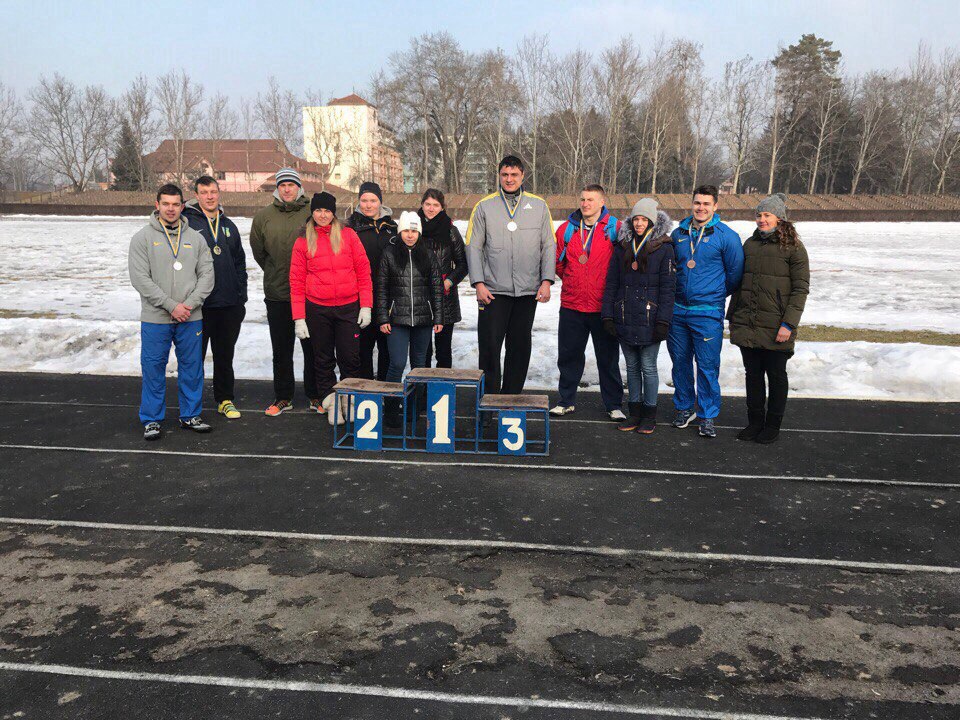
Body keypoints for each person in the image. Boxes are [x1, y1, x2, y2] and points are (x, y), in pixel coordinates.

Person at [128, 183, 214, 441]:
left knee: (192, 366)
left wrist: (188, 304)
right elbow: (140, 279)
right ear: (157, 205)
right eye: (165, 203)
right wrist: (170, 306)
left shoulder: (196, 238)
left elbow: (207, 275)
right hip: (156, 318)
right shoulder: (142, 238)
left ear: (182, 206)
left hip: (191, 315)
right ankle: (152, 419)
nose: (171, 209)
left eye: (176, 204)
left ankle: (190, 414)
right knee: (153, 367)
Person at [465, 155, 555, 395]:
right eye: (505, 174)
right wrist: (478, 283)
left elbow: (548, 245)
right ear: (499, 176)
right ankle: (489, 402)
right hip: (493, 292)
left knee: (520, 348)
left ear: (523, 176)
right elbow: (473, 246)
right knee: (490, 348)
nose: (509, 179)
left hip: (527, 291)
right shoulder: (484, 206)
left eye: (514, 175)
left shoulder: (539, 206)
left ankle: (511, 400)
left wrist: (546, 281)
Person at [728, 193, 810, 444]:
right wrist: (734, 316)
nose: (761, 220)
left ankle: (772, 425)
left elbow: (800, 289)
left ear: (780, 218)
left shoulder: (794, 248)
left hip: (776, 325)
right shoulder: (750, 245)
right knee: (752, 375)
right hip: (748, 323)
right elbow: (740, 282)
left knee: (775, 376)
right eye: (759, 215)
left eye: (767, 215)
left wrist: (788, 323)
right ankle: (755, 422)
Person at [289, 192, 373, 426]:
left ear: (334, 212)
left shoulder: (348, 235)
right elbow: (296, 281)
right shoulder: (303, 240)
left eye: (327, 211)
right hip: (317, 309)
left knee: (349, 357)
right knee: (323, 358)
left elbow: (363, 272)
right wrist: (299, 317)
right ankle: (330, 401)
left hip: (348, 307)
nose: (322, 215)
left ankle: (349, 398)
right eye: (318, 211)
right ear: (312, 212)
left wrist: (366, 305)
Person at [668, 185, 744, 438]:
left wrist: (713, 295)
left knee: (707, 366)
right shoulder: (678, 233)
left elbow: (734, 276)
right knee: (679, 363)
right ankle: (684, 407)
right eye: (697, 203)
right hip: (678, 311)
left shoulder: (727, 236)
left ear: (715, 206)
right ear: (692, 204)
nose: (701, 208)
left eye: (706, 204)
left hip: (708, 311)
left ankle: (707, 414)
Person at [601, 199, 676, 434]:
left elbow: (668, 288)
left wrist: (663, 321)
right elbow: (612, 283)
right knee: (631, 368)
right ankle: (634, 413)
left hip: (650, 319)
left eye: (644, 219)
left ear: (652, 222)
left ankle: (649, 415)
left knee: (648, 367)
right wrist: (608, 316)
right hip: (625, 316)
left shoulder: (664, 248)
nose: (640, 223)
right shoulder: (622, 246)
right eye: (636, 219)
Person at [550, 184, 624, 420]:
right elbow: (558, 264)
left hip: (604, 307)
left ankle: (613, 404)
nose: (585, 204)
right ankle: (565, 400)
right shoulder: (565, 230)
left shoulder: (616, 229)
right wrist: (574, 281)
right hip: (572, 304)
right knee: (569, 356)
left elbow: (622, 264)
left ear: (602, 202)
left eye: (591, 200)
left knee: (608, 358)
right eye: (582, 199)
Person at [249, 168, 319, 416]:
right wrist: (276, 271)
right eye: (282, 185)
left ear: (299, 187)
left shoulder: (313, 212)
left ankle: (315, 395)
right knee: (281, 349)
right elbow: (260, 253)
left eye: (291, 184)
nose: (287, 189)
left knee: (312, 348)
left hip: (311, 294)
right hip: (278, 293)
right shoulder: (263, 217)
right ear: (277, 188)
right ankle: (283, 396)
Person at [182, 175, 247, 420]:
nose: (210, 196)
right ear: (196, 195)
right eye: (204, 192)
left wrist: (241, 295)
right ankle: (191, 404)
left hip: (229, 304)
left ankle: (225, 399)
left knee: (224, 356)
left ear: (219, 193)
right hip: (199, 305)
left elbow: (239, 261)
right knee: (194, 357)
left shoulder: (228, 224)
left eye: (213, 191)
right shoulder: (186, 223)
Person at [375, 211, 444, 428]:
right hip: (397, 319)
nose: (410, 235)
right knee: (396, 363)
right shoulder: (389, 254)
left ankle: (414, 411)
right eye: (406, 230)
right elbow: (382, 288)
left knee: (419, 366)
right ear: (400, 231)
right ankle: (392, 411)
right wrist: (383, 316)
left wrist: (438, 316)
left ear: (419, 233)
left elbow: (437, 288)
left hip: (423, 319)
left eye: (414, 231)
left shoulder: (429, 255)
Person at [347, 181, 398, 381]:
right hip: (361, 300)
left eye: (373, 200)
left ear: (380, 202)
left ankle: (385, 392)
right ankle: (366, 393)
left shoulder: (392, 228)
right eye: (364, 200)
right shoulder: (350, 228)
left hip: (387, 300)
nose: (368, 205)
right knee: (362, 351)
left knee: (387, 350)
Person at [418, 188, 467, 368]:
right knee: (422, 351)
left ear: (442, 207)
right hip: (420, 297)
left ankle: (442, 391)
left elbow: (463, 264)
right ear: (422, 205)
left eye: (435, 205)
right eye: (428, 204)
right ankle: (421, 392)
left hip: (445, 298)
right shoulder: (413, 228)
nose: (431, 209)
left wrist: (449, 281)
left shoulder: (450, 230)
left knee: (443, 350)